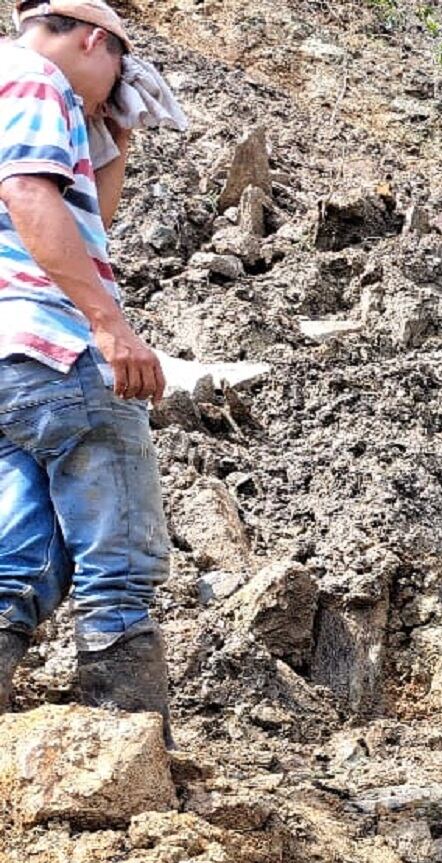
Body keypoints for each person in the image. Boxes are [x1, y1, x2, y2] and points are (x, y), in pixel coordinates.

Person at [0, 0, 170, 730]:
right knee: (119, 558)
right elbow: (30, 194)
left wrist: (115, 143)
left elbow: (78, 219)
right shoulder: (35, 77)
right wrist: (110, 325)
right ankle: (122, 738)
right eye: (116, 75)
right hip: (56, 345)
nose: (114, 94)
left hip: (9, 357)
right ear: (94, 39)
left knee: (18, 559)